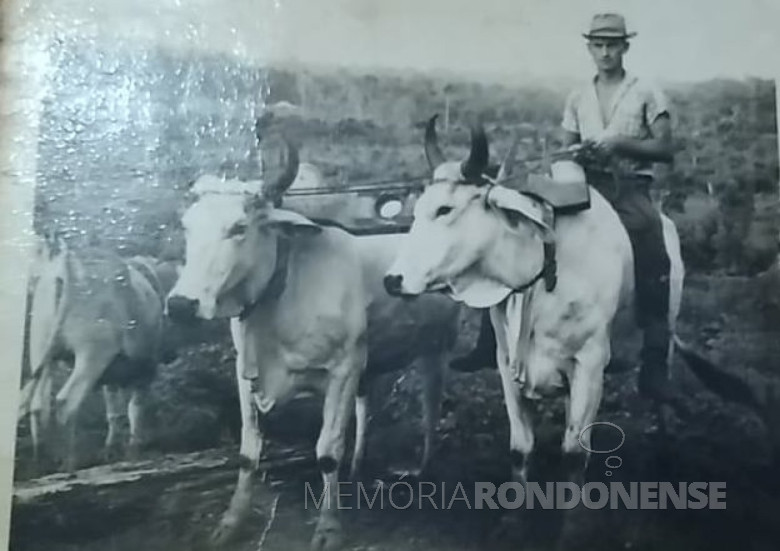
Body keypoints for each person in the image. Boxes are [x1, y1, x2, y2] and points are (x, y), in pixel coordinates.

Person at [450, 13, 678, 404]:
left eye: (613, 45)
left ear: (625, 47)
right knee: (520, 234)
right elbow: (567, 146)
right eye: (598, 45)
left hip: (629, 189)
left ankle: (654, 361)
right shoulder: (578, 96)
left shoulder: (647, 92)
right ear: (590, 48)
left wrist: (619, 144)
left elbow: (666, 149)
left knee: (653, 251)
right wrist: (579, 151)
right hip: (582, 186)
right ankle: (491, 341)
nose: (605, 52)